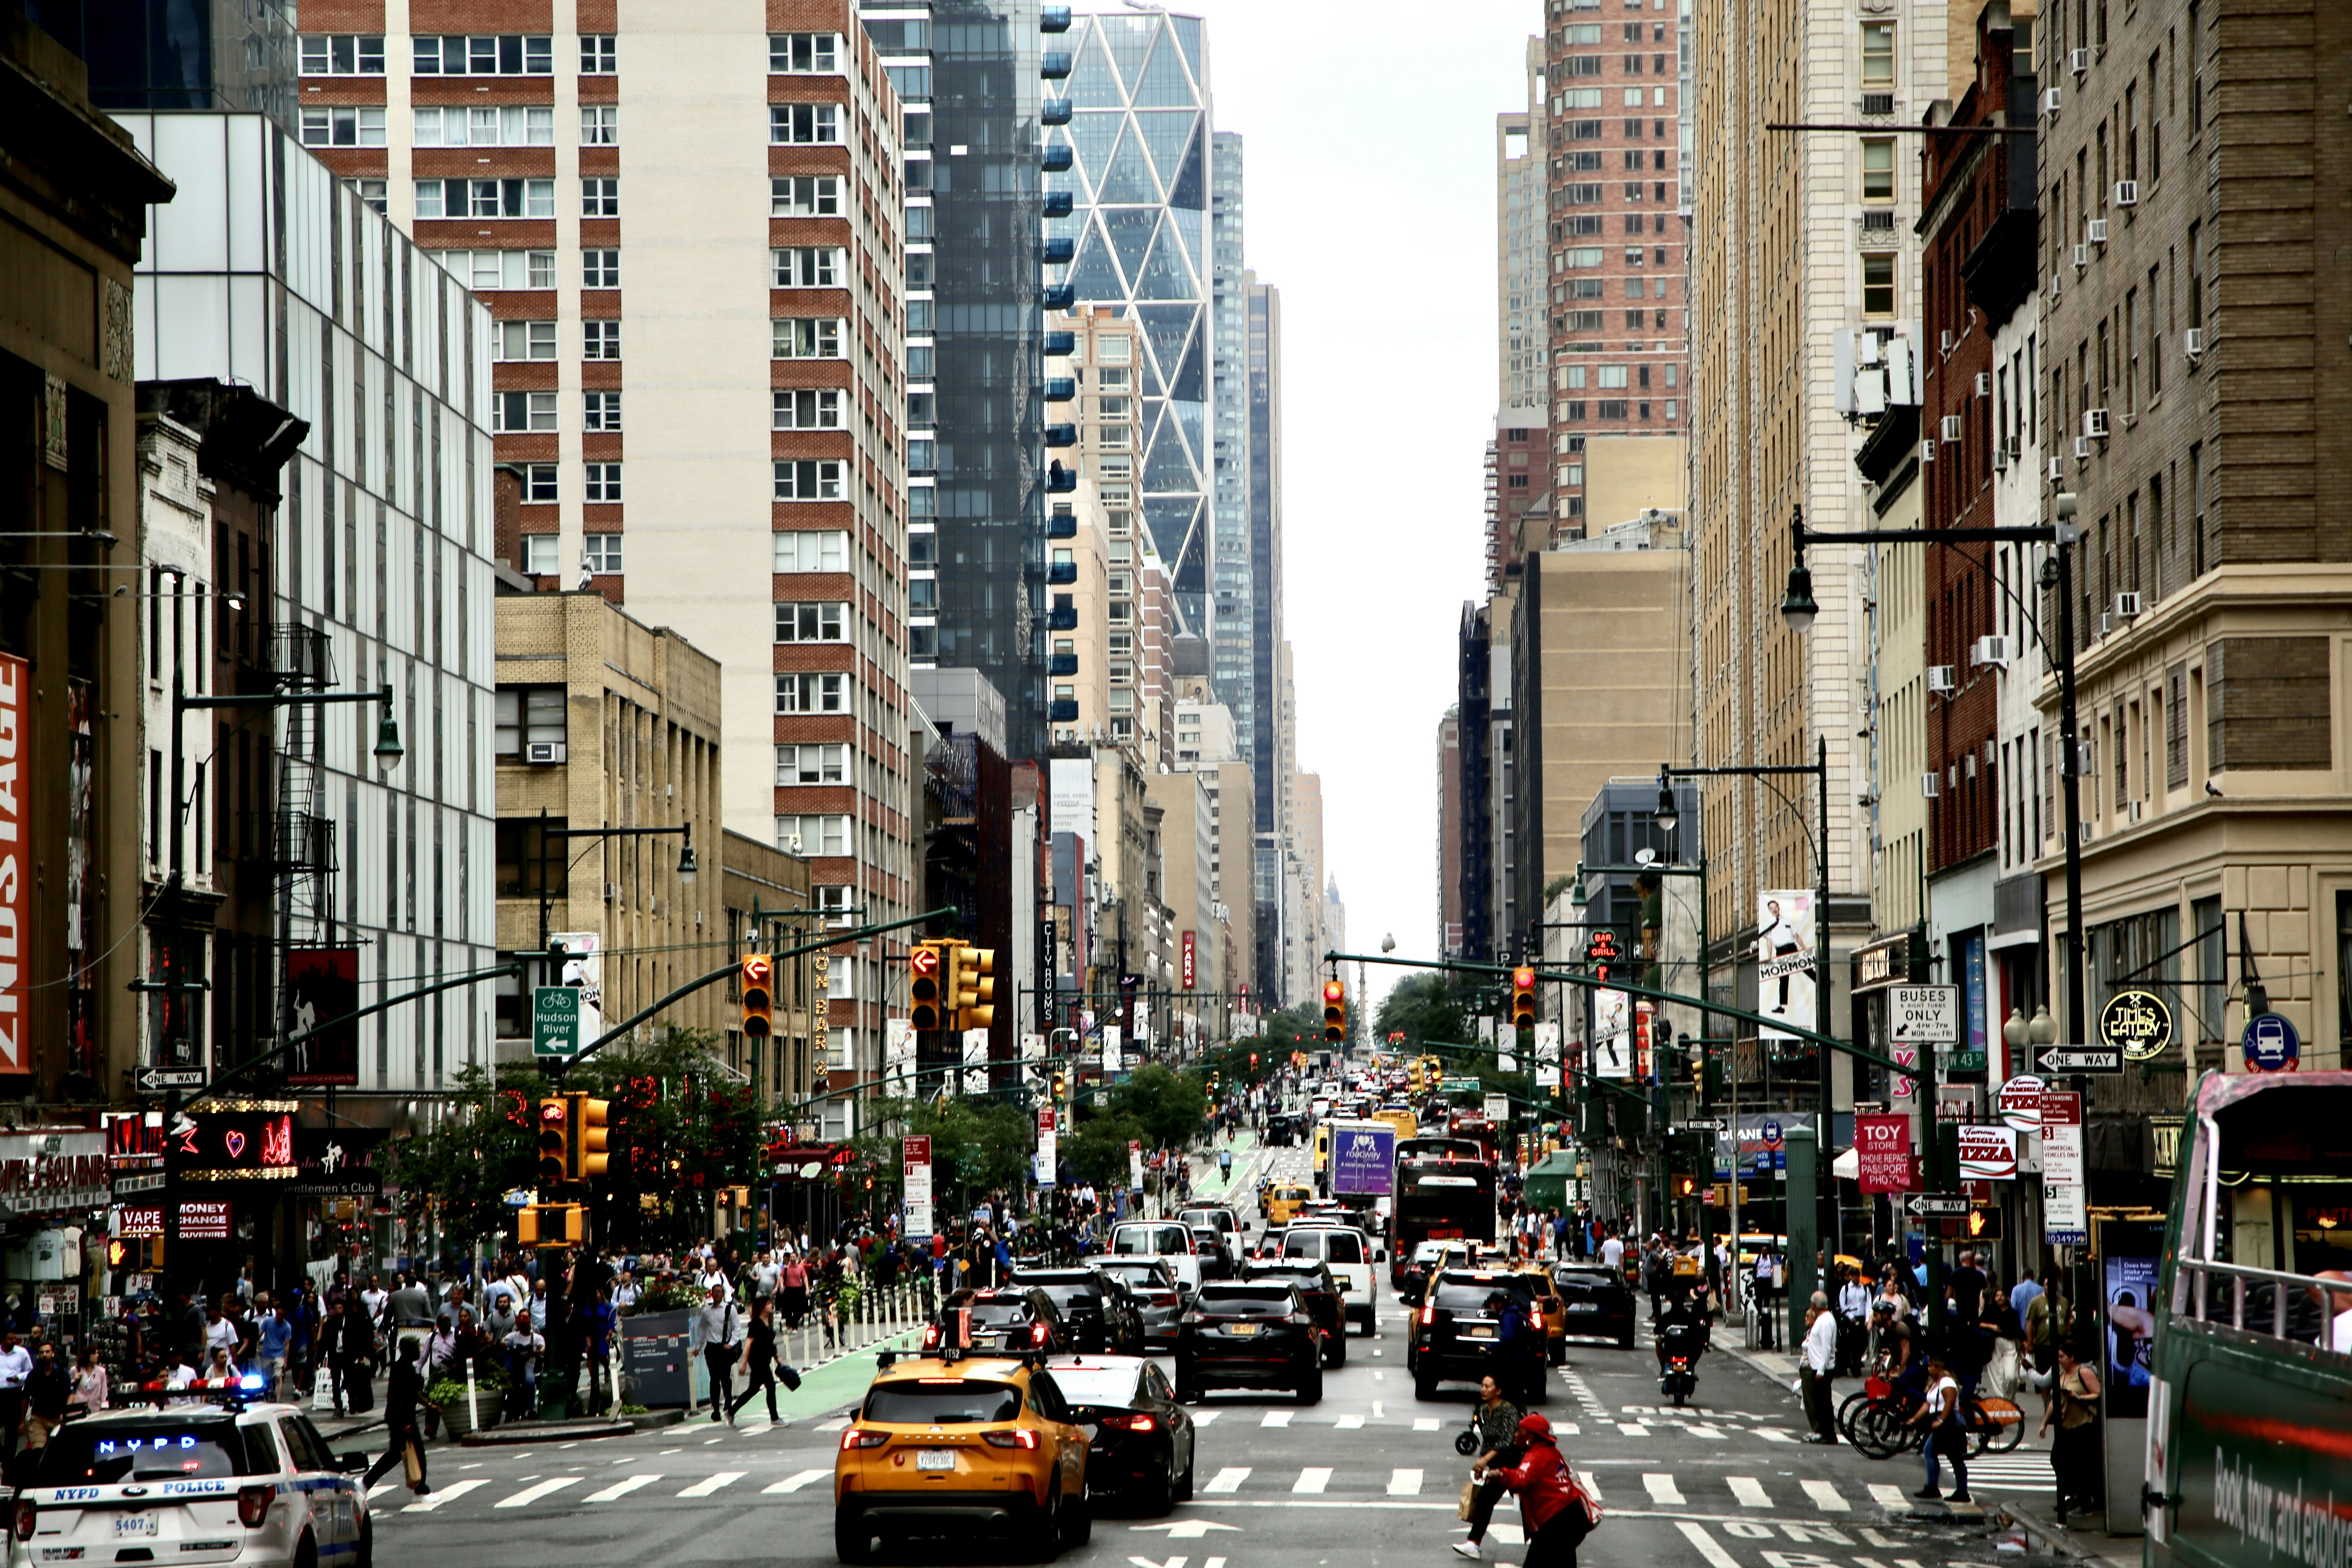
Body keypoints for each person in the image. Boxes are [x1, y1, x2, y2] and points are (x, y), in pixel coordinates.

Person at [1486, 1413, 1592, 1568]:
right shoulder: (1552, 1453)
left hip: (1557, 1522)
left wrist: (1501, 1473)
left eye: (1519, 1431)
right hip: (1572, 1518)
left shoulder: (1536, 1457)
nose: (1515, 1434)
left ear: (1531, 1436)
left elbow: (1522, 1478)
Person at [1452, 1374, 1524, 1560]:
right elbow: (1487, 1440)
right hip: (1497, 1465)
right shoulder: (1484, 1410)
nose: (1483, 1389)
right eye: (1482, 1386)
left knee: (1528, 1504)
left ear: (1498, 1391)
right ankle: (1474, 1543)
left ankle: (1474, 1543)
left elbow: (1508, 1440)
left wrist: (1484, 1461)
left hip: (1514, 1464)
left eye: (1488, 1386)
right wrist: (1482, 1465)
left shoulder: (1508, 1410)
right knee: (1485, 1500)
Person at [2040, 1341, 2102, 1524]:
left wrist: (2078, 1397)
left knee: (2079, 1465)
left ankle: (2084, 1502)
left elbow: (2098, 1393)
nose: (2059, 1361)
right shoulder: (2062, 1375)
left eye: (2061, 1357)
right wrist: (2045, 1422)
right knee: (2057, 1460)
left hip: (2082, 1424)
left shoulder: (2083, 1373)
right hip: (2065, 1425)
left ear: (2072, 1357)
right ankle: (2072, 1494)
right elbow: (2054, 1401)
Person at [363, 1341, 432, 1498]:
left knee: (396, 1454)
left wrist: (429, 1405)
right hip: (401, 1418)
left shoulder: (407, 1367)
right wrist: (406, 1423)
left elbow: (412, 1394)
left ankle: (366, 1483)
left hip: (401, 1417)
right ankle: (420, 1488)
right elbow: (401, 1397)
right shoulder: (402, 1368)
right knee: (413, 1452)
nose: (419, 1351)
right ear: (406, 1350)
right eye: (416, 1348)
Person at [1907, 1352, 1971, 1503]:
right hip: (1941, 1420)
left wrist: (1941, 1421)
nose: (1928, 1369)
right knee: (1930, 1451)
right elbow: (1928, 1404)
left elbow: (1950, 1402)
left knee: (1955, 1457)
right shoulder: (1936, 1383)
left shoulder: (1947, 1382)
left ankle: (1961, 1491)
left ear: (1939, 1367)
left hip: (1950, 1422)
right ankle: (1932, 1487)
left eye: (1931, 1366)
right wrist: (1914, 1419)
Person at [727, 1297, 802, 1424]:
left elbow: (769, 1343)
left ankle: (731, 1412)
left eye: (771, 1304)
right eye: (768, 1304)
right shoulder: (756, 1323)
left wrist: (776, 1357)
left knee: (753, 1389)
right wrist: (744, 1364)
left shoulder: (768, 1321)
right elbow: (749, 1344)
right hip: (757, 1360)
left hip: (765, 1358)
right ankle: (775, 1418)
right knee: (771, 1386)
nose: (771, 1306)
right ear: (761, 1307)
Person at [697, 1285, 740, 1424]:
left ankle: (728, 1405)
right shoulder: (706, 1312)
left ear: (723, 1294)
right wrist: (698, 1346)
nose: (717, 1294)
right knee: (714, 1379)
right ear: (711, 1294)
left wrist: (732, 1343)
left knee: (725, 1378)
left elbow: (737, 1328)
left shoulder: (730, 1309)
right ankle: (716, 1409)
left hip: (725, 1348)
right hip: (711, 1349)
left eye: (719, 1292)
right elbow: (702, 1330)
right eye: (714, 1292)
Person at [1799, 1290, 1838, 1443]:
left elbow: (1826, 1348)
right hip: (1818, 1367)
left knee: (1825, 1404)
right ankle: (1824, 1432)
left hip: (1823, 1369)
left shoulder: (1826, 1321)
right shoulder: (1824, 1320)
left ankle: (1829, 1434)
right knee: (1821, 1403)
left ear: (1814, 1305)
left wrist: (1821, 1370)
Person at [22, 1343, 71, 1452]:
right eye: (42, 1352)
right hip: (39, 1418)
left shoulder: (62, 1373)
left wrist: (67, 1413)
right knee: (38, 1451)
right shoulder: (34, 1375)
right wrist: (22, 1421)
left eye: (48, 1352)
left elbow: (70, 1394)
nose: (45, 1355)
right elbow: (25, 1397)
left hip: (58, 1418)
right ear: (38, 1355)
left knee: (59, 1451)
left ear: (53, 1353)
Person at [0, 1328, 30, 1462]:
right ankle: (2, 1454)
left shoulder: (22, 1353)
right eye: (10, 1339)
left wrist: (19, 1377)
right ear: (3, 1340)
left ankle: (8, 1462)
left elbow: (30, 1372)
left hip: (14, 1394)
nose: (14, 1341)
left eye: (14, 1338)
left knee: (12, 1431)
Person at [68, 1349, 107, 1417]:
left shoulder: (101, 1372)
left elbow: (104, 1392)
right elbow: (69, 1388)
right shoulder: (75, 1370)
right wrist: (75, 1380)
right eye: (94, 1354)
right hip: (78, 1408)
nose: (97, 1355)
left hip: (95, 1410)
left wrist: (104, 1407)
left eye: (98, 1354)